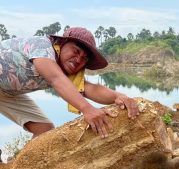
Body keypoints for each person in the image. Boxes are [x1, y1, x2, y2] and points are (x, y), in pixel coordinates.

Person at [0, 27, 139, 139]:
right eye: (76, 51)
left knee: (44, 131)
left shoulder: (67, 71)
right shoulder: (42, 47)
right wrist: (87, 109)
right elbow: (56, 79)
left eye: (84, 58)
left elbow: (88, 89)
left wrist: (118, 97)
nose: (78, 59)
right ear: (61, 44)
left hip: (5, 92)